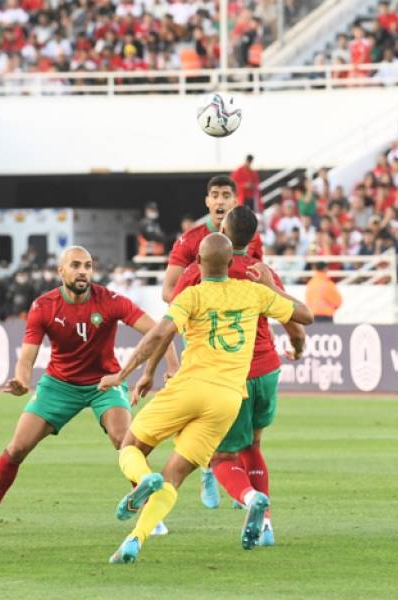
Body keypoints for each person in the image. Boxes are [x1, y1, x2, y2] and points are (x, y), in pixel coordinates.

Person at [98, 233, 313, 563]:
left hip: (189, 387)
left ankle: (143, 482)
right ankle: (134, 539)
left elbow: (159, 334)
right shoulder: (254, 292)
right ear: (230, 263)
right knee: (177, 475)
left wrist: (126, 374)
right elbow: (306, 316)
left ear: (197, 263)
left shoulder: (192, 295)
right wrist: (271, 286)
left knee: (130, 446)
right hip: (226, 399)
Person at [0, 246, 178, 537]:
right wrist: (20, 380)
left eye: (88, 266)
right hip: (59, 385)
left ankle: (151, 512)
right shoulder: (44, 306)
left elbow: (159, 331)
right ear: (60, 271)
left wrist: (172, 366)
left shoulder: (111, 301)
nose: (83, 271)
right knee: (16, 448)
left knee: (126, 442)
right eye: (76, 265)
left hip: (104, 383)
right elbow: (27, 357)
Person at [172, 206, 306, 544]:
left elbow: (173, 319)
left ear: (223, 231)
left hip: (229, 374)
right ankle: (268, 526)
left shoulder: (200, 269)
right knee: (254, 446)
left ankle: (249, 498)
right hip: (267, 368)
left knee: (221, 456)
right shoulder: (263, 272)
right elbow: (295, 323)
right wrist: (298, 349)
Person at [160, 175, 264, 504]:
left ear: (234, 201)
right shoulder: (191, 240)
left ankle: (238, 482)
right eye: (214, 195)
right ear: (207, 202)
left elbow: (257, 277)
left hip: (238, 339)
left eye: (226, 195)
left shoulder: (250, 235)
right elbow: (168, 290)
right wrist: (198, 298)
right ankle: (211, 470)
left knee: (243, 421)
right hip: (203, 334)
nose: (220, 201)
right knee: (206, 406)